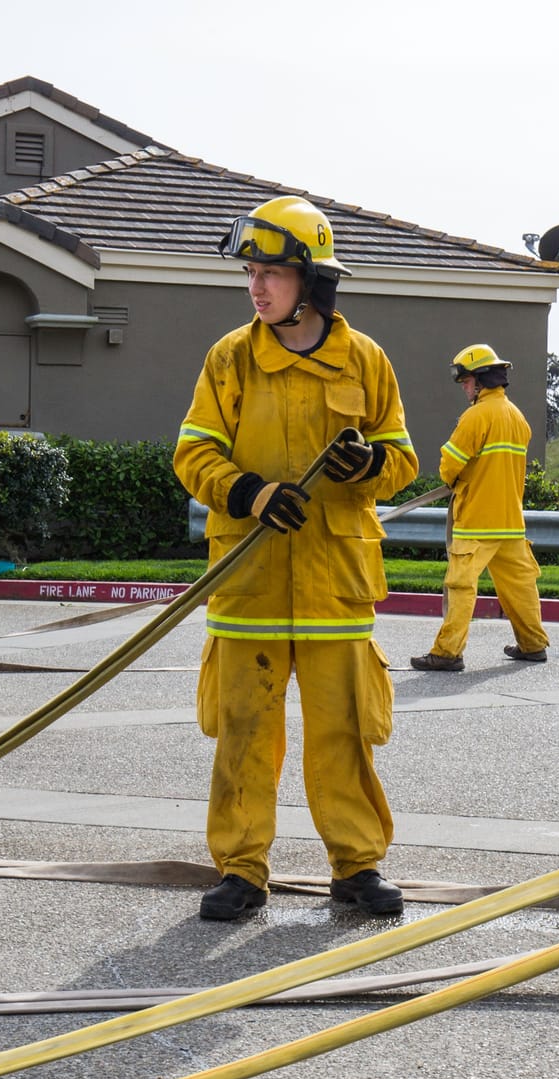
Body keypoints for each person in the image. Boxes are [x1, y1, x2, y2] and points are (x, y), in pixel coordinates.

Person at [174, 195, 418, 922]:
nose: (256, 287)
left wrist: (366, 464)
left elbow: (402, 460)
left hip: (335, 586)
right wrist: (248, 492)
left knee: (343, 732)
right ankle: (242, 869)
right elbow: (193, 452)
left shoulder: (366, 359)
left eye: (271, 272)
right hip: (248, 581)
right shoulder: (231, 358)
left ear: (310, 278)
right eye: (251, 272)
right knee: (245, 734)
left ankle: (357, 865)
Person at [410, 344, 550, 672]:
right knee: (520, 586)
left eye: (467, 381)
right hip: (510, 523)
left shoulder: (476, 416)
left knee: (460, 586)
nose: (464, 387)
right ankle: (533, 645)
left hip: (476, 522)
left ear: (482, 381)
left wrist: (455, 480)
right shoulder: (517, 417)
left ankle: (447, 652)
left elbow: (450, 465)